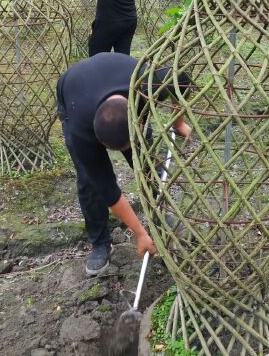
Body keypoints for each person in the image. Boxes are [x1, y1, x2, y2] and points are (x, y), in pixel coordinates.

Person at [56, 52, 192, 276]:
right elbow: (108, 188)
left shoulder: (149, 80)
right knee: (89, 180)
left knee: (147, 163)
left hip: (118, 80)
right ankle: (100, 243)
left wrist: (178, 122)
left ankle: (158, 213)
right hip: (73, 93)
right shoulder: (82, 131)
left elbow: (182, 81)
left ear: (137, 120)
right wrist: (139, 233)